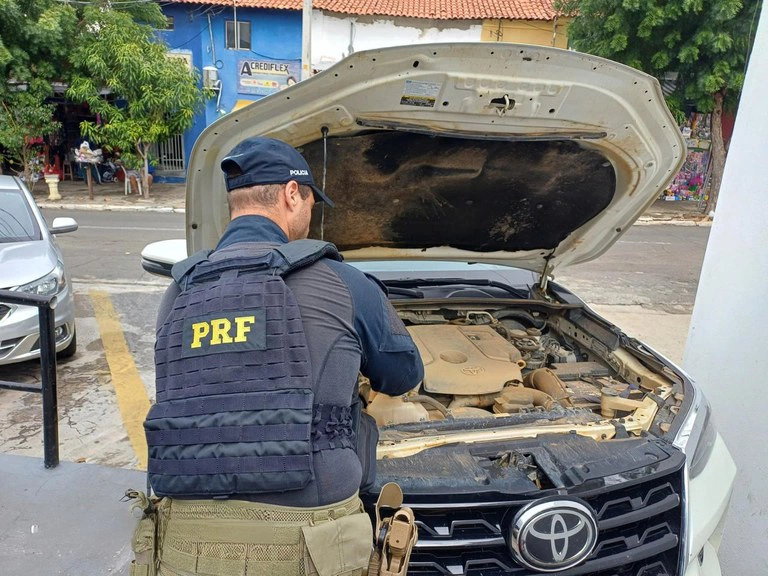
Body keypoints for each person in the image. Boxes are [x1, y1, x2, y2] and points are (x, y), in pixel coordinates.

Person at [134, 136, 423, 576]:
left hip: (186, 545)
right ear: (292, 194)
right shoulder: (341, 282)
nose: (310, 215)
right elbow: (403, 375)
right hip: (311, 544)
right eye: (310, 202)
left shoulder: (180, 290)